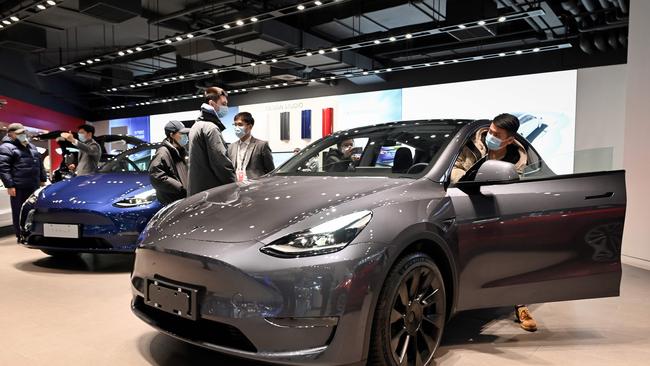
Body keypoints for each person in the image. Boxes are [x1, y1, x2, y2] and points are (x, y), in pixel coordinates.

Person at [450, 113, 536, 332]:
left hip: (500, 209)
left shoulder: (517, 160)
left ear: (509, 139)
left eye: (497, 135)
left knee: (514, 256)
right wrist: (470, 178)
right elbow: (455, 167)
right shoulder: (471, 145)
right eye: (490, 131)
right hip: (467, 202)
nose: (491, 136)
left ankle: (521, 305)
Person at [0, 123, 47, 240]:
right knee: (19, 212)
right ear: (10, 134)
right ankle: (21, 235)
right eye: (19, 133)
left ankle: (34, 233)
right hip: (18, 186)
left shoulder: (31, 146)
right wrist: (9, 185)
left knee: (34, 210)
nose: (23, 135)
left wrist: (42, 179)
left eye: (23, 132)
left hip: (34, 185)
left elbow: (39, 163)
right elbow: (3, 168)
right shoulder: (5, 147)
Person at [187, 86, 236, 196]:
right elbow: (221, 162)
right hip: (212, 192)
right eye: (223, 104)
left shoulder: (196, 126)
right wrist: (234, 184)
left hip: (199, 190)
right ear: (212, 104)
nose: (226, 107)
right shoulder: (211, 128)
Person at [149, 121, 189, 205]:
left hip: (182, 200)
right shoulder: (163, 152)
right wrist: (180, 188)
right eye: (182, 134)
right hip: (172, 202)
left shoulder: (180, 150)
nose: (185, 136)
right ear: (171, 135)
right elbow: (156, 176)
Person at [227, 112, 275, 181]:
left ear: (250, 126)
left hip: (256, 186)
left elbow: (270, 171)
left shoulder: (262, 145)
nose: (236, 128)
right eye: (235, 125)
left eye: (240, 124)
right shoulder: (231, 147)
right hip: (235, 186)